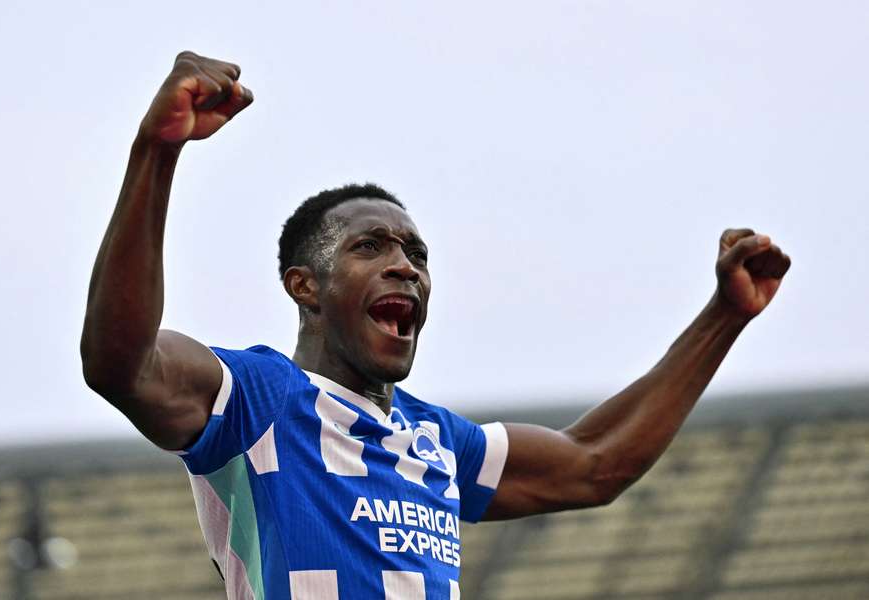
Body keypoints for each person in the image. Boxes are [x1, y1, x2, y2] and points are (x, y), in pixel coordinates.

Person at [80, 51, 791, 600]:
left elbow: (595, 463)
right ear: (306, 287)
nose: (406, 267)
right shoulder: (258, 399)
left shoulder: (439, 445)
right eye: (370, 247)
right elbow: (123, 366)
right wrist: (158, 149)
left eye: (416, 254)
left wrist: (724, 317)